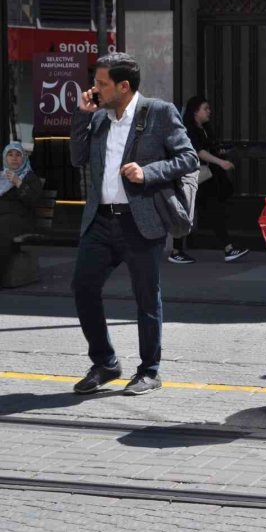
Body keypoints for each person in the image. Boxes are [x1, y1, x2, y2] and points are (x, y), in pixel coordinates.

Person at [69, 53, 199, 396]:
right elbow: (77, 158)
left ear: (123, 86)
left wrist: (148, 172)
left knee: (145, 297)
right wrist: (82, 117)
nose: (94, 89)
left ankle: (149, 370)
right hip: (100, 220)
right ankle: (105, 363)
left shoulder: (158, 112)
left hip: (139, 221)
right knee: (83, 287)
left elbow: (188, 158)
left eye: (101, 83)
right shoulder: (98, 117)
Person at [169, 96, 249, 264]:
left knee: (210, 212)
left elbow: (209, 148)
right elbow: (198, 152)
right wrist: (221, 162)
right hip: (196, 178)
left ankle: (226, 248)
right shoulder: (189, 130)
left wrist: (222, 153)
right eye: (205, 108)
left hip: (206, 179)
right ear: (195, 112)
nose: (209, 112)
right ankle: (177, 251)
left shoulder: (205, 128)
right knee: (195, 212)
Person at [0, 142, 43, 279]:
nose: (14, 158)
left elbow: (32, 200)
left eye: (18, 155)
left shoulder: (30, 177)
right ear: (4, 158)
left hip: (21, 219)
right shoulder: (1, 177)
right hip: (3, 218)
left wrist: (18, 183)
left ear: (24, 158)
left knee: (2, 229)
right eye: (10, 155)